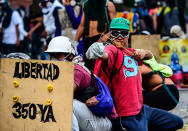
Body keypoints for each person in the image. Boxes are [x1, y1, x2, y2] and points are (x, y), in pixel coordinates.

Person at [86, 17, 183, 131]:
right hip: (125, 115)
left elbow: (150, 56)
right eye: (115, 33)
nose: (119, 37)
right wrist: (99, 51)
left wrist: (144, 52)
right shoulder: (112, 50)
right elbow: (107, 54)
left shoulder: (130, 52)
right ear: (110, 34)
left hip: (142, 109)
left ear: (128, 35)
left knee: (177, 122)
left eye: (123, 33)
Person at [44, 36, 112, 131]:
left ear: (70, 56)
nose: (54, 59)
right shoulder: (62, 71)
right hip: (88, 117)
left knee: (66, 102)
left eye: (58, 55)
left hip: (101, 122)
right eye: (52, 55)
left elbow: (63, 93)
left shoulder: (76, 71)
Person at [75, 0, 116, 71]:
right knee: (88, 68)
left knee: (98, 68)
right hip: (87, 40)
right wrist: (75, 42)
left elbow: (115, 27)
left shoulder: (108, 4)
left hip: (101, 40)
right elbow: (82, 25)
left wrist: (103, 39)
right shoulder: (86, 4)